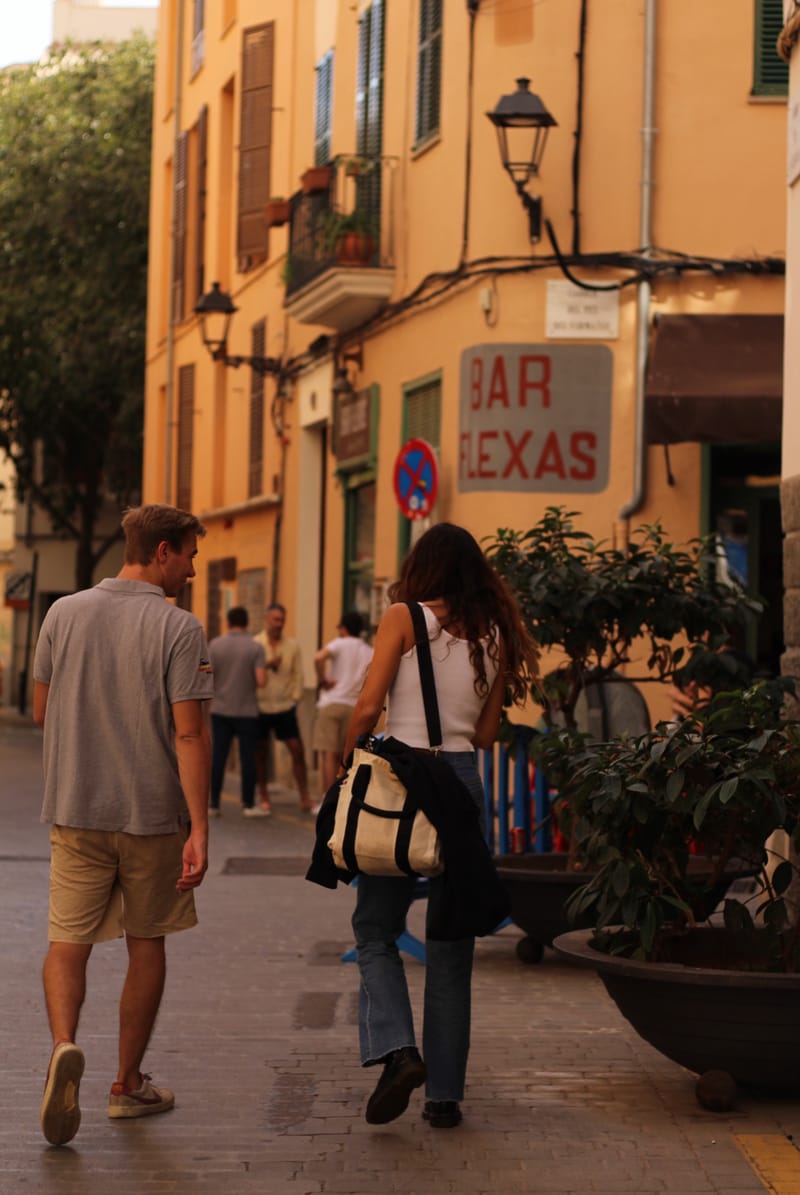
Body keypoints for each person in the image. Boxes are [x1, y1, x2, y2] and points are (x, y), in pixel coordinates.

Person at [336, 523, 537, 1130]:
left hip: (402, 780)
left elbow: (369, 705)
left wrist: (346, 762)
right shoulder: (499, 635)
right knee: (452, 947)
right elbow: (484, 736)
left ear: (422, 568)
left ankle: (399, 1051)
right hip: (462, 785)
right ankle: (444, 1098)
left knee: (375, 927)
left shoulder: (404, 616)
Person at [33, 504, 214, 1148]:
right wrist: (200, 827)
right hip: (151, 815)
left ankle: (63, 1047)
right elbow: (189, 732)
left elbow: (41, 710)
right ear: (163, 552)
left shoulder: (62, 613)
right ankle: (127, 1084)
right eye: (190, 555)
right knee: (147, 943)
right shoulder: (178, 627)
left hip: (75, 808)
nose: (193, 569)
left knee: (67, 939)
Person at [208, 606, 268, 817]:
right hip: (247, 710)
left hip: (221, 708)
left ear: (228, 623)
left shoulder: (214, 645)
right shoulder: (256, 648)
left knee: (218, 757)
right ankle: (248, 804)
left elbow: (208, 675)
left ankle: (213, 803)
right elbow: (261, 681)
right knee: (247, 758)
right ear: (247, 623)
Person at [254, 602, 312, 812]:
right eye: (275, 620)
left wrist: (295, 698)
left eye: (282, 621)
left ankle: (304, 795)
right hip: (260, 705)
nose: (279, 624)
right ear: (267, 619)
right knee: (260, 753)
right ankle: (263, 794)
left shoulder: (292, 646)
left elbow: (298, 674)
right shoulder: (256, 644)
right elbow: (251, 674)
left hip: (284, 706)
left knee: (297, 749)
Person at [312, 611, 374, 793]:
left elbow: (317, 658)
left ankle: (327, 798)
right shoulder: (369, 650)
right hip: (354, 707)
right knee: (347, 756)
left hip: (332, 702)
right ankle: (344, 798)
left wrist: (323, 680)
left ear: (343, 628)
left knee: (329, 754)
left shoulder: (339, 643)